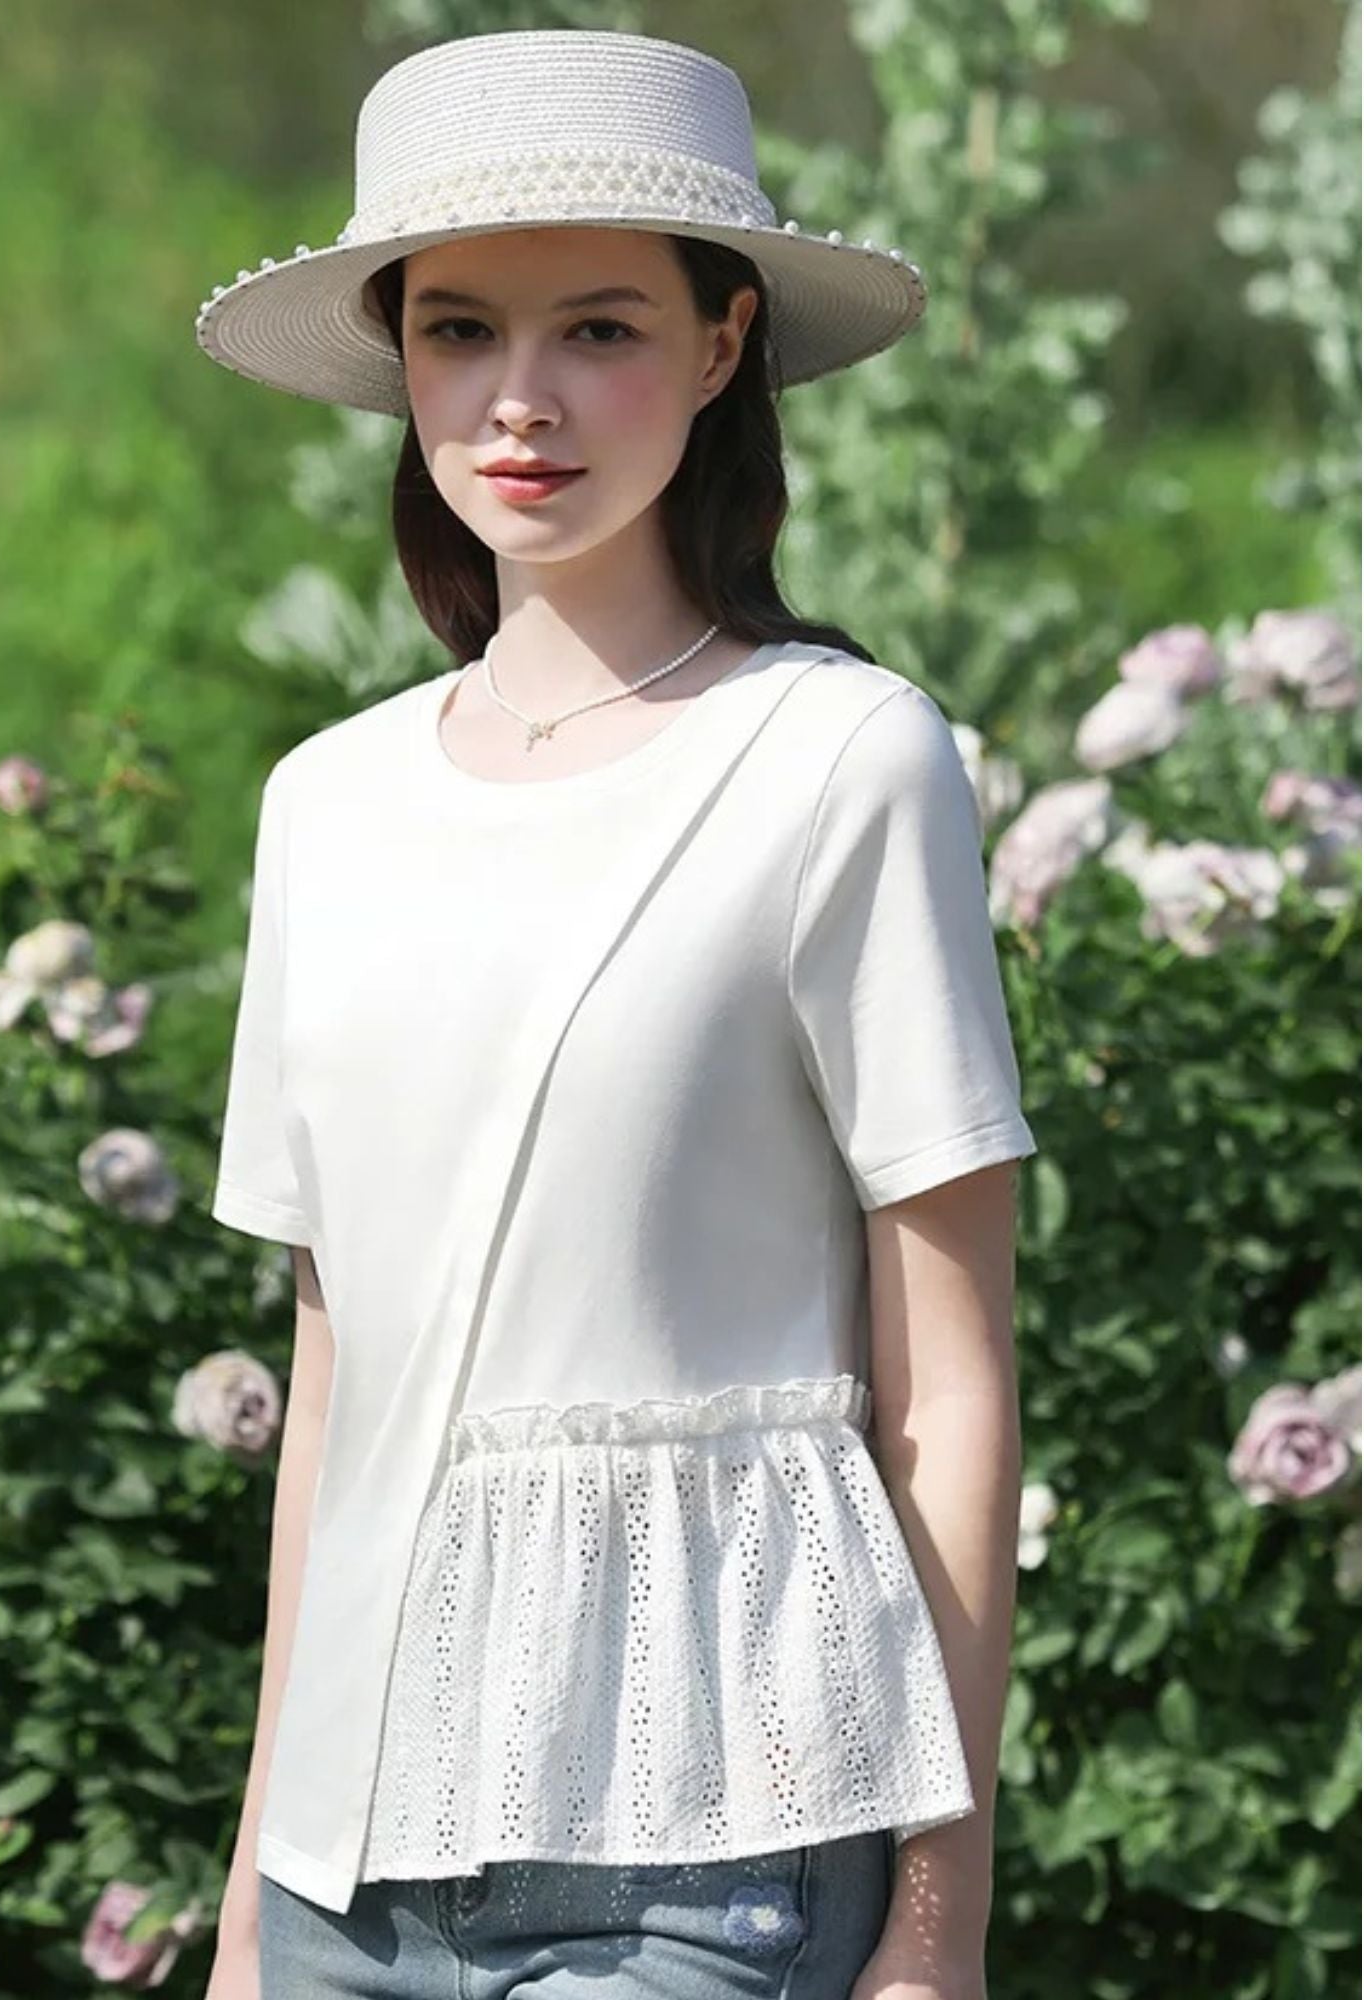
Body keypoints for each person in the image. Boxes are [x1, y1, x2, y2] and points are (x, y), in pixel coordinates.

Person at [197, 28, 1036, 2000]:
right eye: (462, 332)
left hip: (710, 1879)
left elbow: (953, 1389)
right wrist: (247, 1913)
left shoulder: (843, 761)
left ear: (727, 343)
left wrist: (935, 1933)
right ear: (401, 361)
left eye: (598, 330)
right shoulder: (327, 804)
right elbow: (342, 1393)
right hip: (343, 1890)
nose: (521, 402)